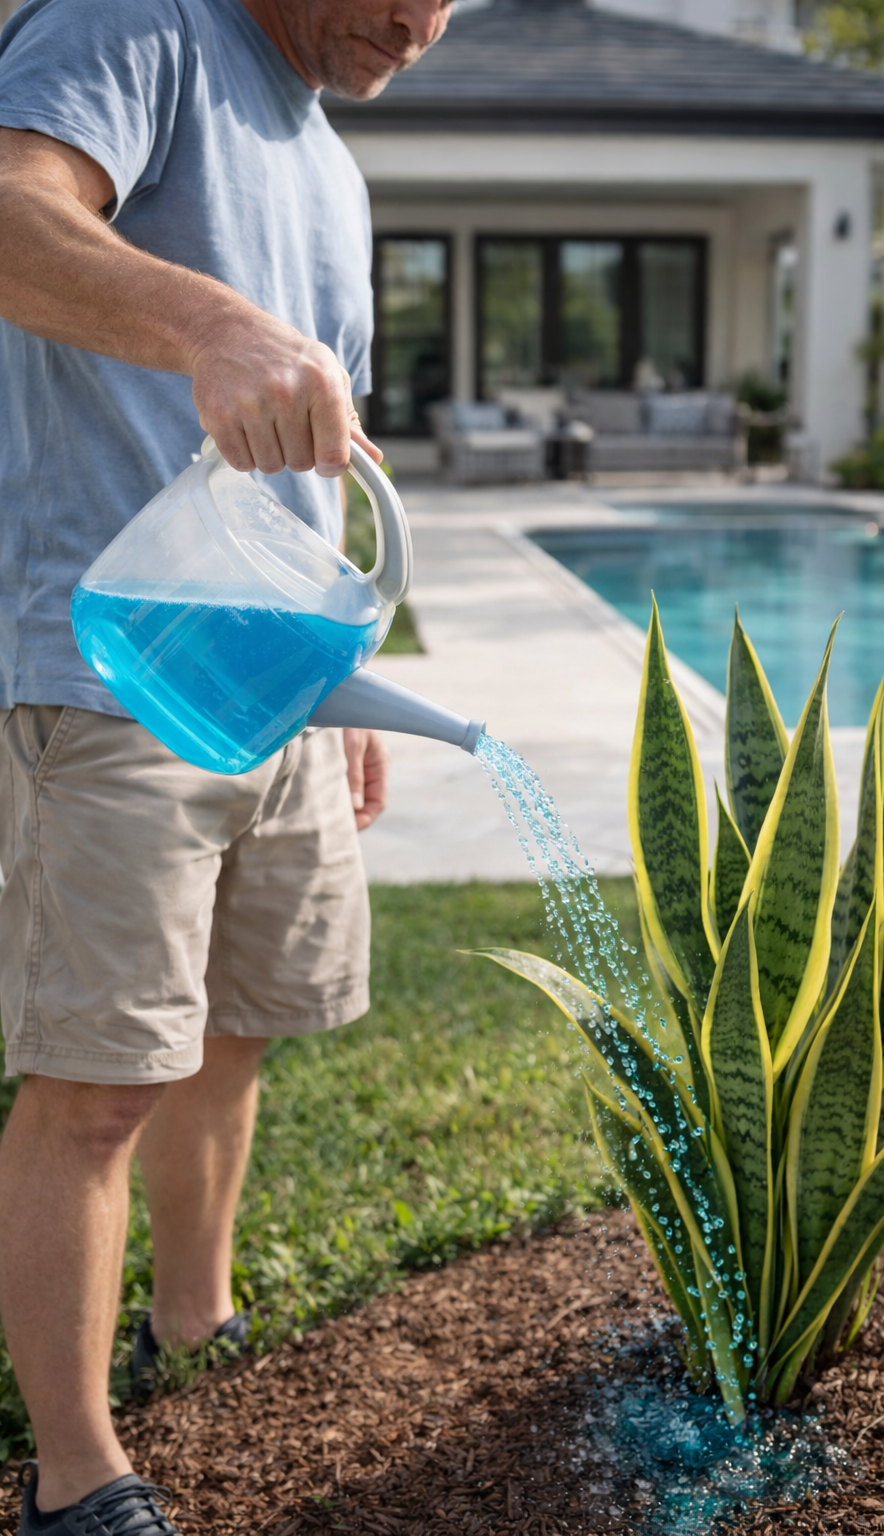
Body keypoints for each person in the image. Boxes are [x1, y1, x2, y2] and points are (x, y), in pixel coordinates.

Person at [0, 0, 451, 1531]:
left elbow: (345, 452)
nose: (427, 20)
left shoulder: (330, 153)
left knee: (240, 1027)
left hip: (277, 680)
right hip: (114, 665)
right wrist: (215, 327)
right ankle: (75, 1482)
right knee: (97, 1086)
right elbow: (8, 218)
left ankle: (193, 1319)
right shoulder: (140, 24)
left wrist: (348, 679)